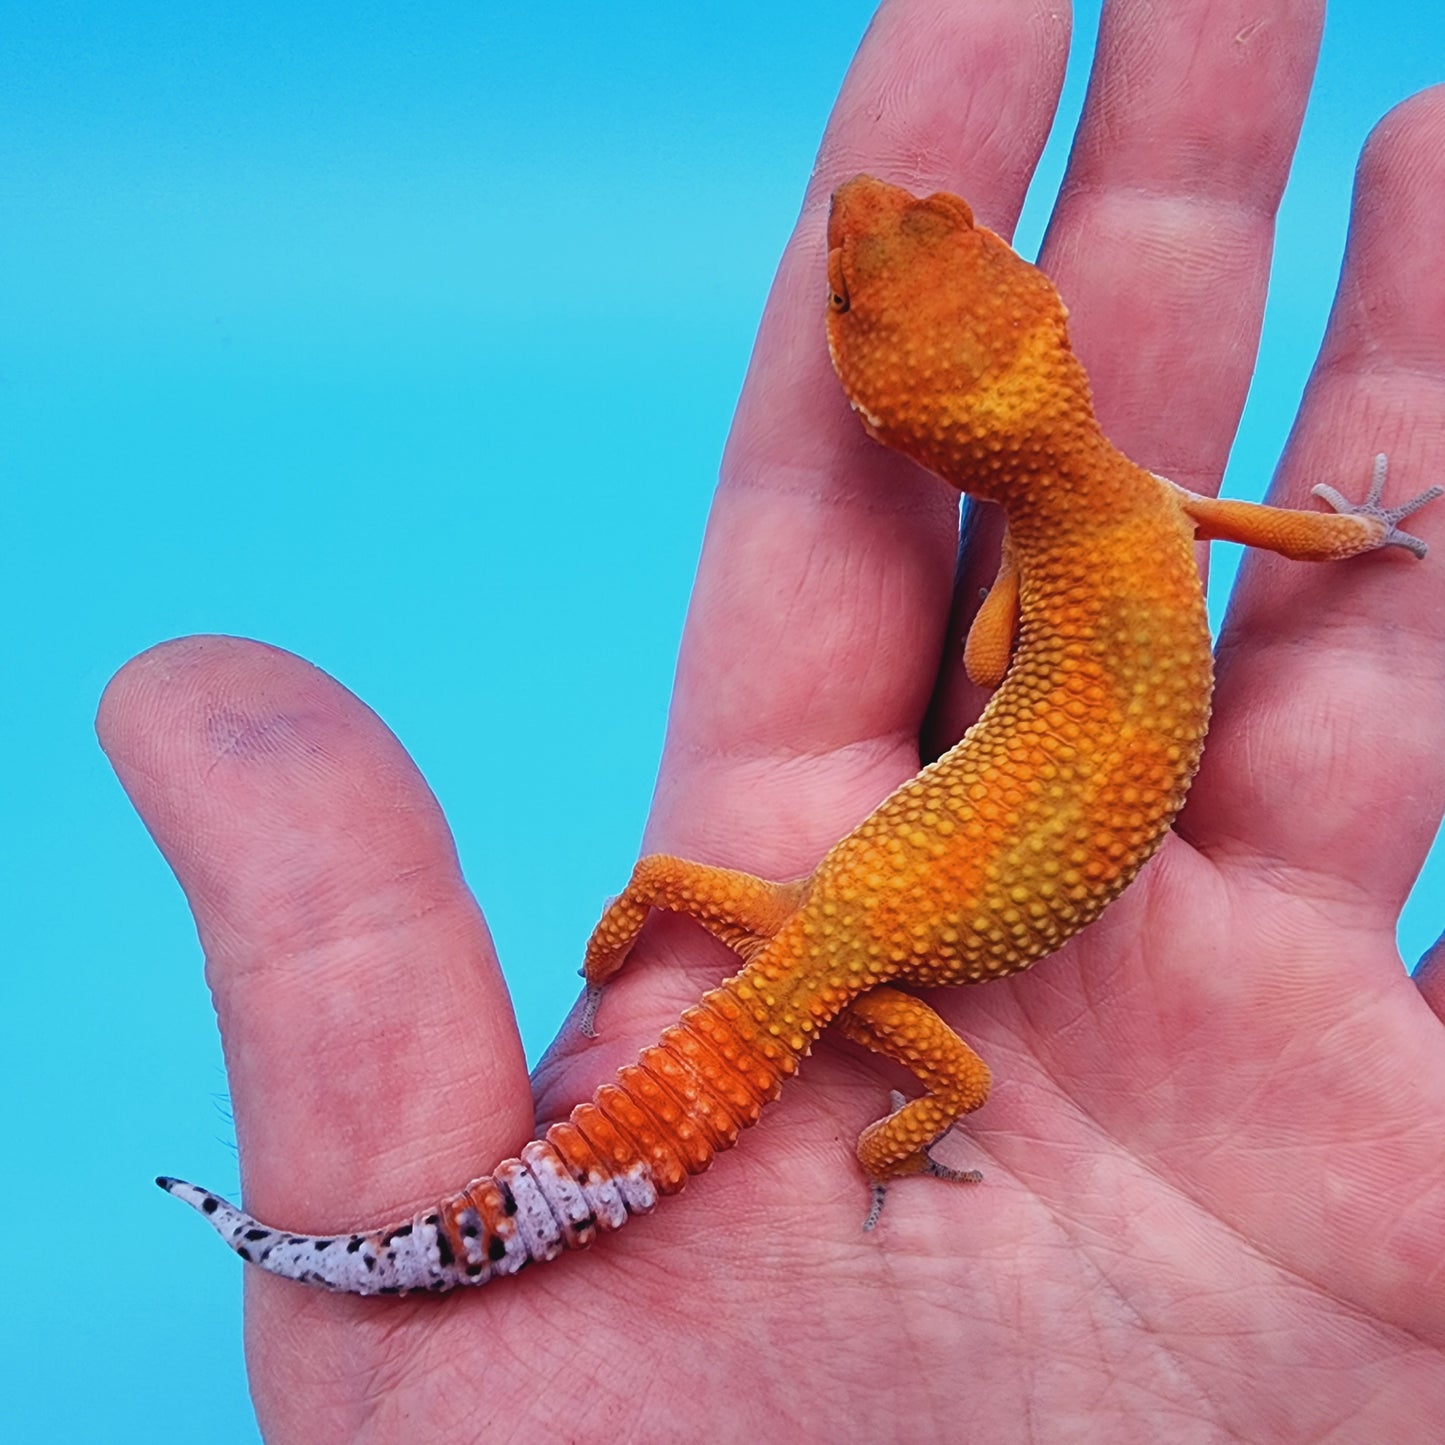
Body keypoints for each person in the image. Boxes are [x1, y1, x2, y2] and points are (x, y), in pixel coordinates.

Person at [100, 1, 1445, 1438]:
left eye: (863, 289)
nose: (881, 216)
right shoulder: (1133, 502)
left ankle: (683, 994)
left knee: (921, 1053)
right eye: (865, 284)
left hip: (845, 925)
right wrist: (1355, 535)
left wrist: (652, 960)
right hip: (870, 928)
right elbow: (1125, 591)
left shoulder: (1038, 563)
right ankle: (859, 1120)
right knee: (864, 1024)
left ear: (911, 421)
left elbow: (993, 648)